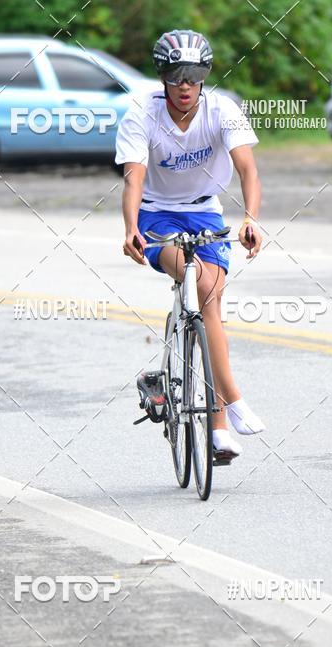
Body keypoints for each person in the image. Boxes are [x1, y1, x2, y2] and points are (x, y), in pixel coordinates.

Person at [115, 28, 265, 459]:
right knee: (198, 280)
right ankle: (233, 403)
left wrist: (250, 219)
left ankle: (219, 429)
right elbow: (134, 178)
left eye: (194, 76)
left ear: (205, 76)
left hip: (205, 212)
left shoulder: (223, 110)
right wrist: (131, 228)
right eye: (176, 76)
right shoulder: (140, 113)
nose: (185, 85)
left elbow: (248, 172)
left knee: (211, 298)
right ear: (162, 76)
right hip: (157, 213)